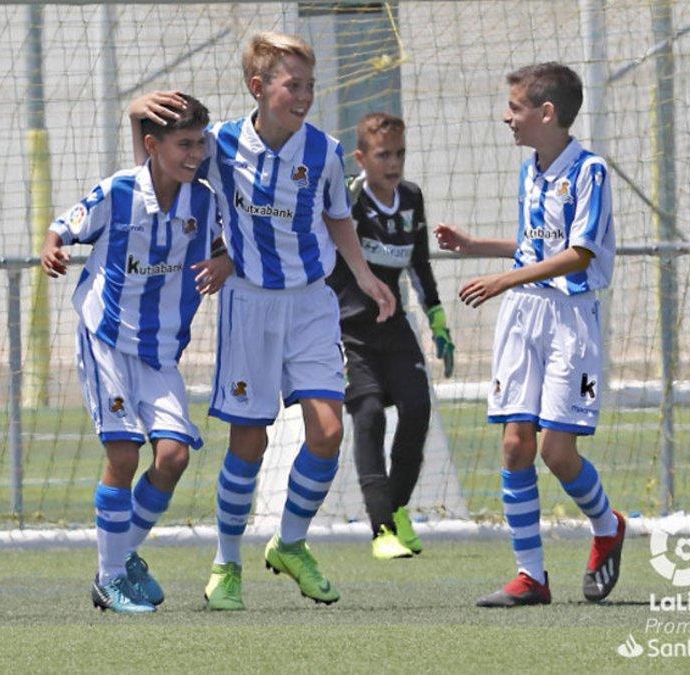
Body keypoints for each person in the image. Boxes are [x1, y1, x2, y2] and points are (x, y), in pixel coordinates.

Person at [130, 31, 395, 611]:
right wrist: (136, 112)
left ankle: (291, 544)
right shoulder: (220, 144)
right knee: (250, 439)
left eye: (310, 86)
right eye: (291, 85)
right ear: (258, 87)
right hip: (249, 304)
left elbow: (337, 219)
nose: (304, 96)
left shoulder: (323, 151)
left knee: (328, 431)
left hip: (311, 303)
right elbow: (161, 165)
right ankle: (227, 562)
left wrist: (366, 275)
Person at [434, 62, 625, 607]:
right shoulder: (529, 172)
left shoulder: (590, 171)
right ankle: (530, 576)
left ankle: (607, 525)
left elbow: (578, 254)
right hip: (523, 317)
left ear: (546, 113)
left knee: (556, 452)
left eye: (515, 108)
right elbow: (532, 247)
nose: (507, 117)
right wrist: (476, 247)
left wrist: (503, 279)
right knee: (515, 445)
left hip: (569, 322)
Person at [42, 94, 232, 614]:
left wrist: (225, 265)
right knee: (124, 455)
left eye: (200, 143)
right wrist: (52, 245)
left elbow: (226, 248)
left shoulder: (206, 200)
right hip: (106, 337)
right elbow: (64, 224)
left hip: (160, 349)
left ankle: (121, 556)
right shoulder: (119, 191)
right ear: (153, 145)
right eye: (184, 144)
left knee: (173, 457)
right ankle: (109, 578)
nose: (196, 154)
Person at [328, 112, 454, 561]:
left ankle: (397, 510)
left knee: (417, 407)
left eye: (400, 153)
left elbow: (419, 264)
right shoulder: (350, 199)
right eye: (384, 154)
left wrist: (437, 320)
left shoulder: (411, 199)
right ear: (362, 157)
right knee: (369, 416)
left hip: (393, 324)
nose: (394, 163)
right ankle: (380, 529)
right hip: (349, 328)